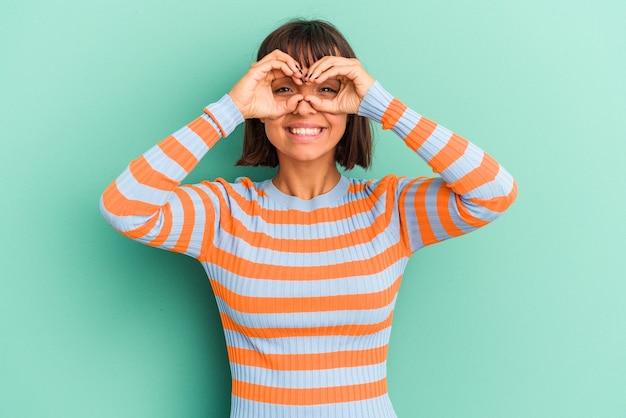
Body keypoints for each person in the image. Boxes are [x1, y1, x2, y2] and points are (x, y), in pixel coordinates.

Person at [100, 19, 517, 418]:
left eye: (326, 90)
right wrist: (230, 109)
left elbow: (494, 192)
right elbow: (124, 207)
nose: (305, 107)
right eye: (283, 90)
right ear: (260, 108)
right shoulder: (223, 213)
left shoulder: (391, 208)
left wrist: (383, 106)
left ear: (352, 102)